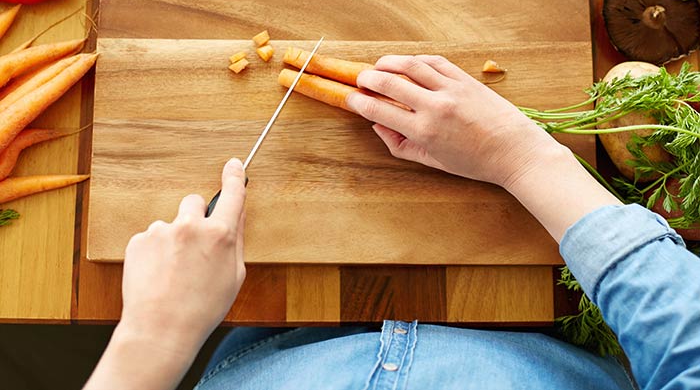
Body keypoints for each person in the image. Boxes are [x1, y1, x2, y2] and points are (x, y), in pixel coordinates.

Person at [82, 55, 700, 390]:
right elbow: (686, 344)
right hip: (534, 336)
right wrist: (523, 156)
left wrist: (154, 336)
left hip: (277, 342)